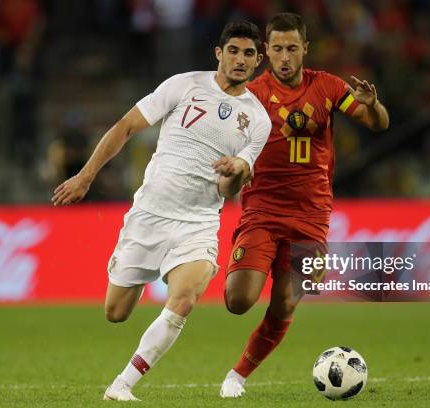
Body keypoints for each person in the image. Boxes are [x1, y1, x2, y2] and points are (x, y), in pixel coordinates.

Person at [51, 21, 271, 401]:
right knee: (116, 312)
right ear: (219, 53)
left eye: (249, 53)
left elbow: (229, 189)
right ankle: (136, 276)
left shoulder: (258, 120)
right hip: (151, 213)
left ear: (258, 61)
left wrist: (236, 172)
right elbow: (125, 127)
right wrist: (85, 177)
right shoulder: (184, 85)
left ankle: (123, 385)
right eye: (233, 51)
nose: (240, 59)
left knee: (183, 300)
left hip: (199, 221)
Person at [220, 12, 389, 398]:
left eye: (292, 48)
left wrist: (374, 106)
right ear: (266, 51)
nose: (284, 56)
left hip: (312, 216)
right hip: (262, 209)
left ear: (305, 49)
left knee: (285, 303)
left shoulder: (327, 87)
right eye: (277, 48)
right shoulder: (253, 94)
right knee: (238, 300)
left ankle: (238, 375)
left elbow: (378, 123)